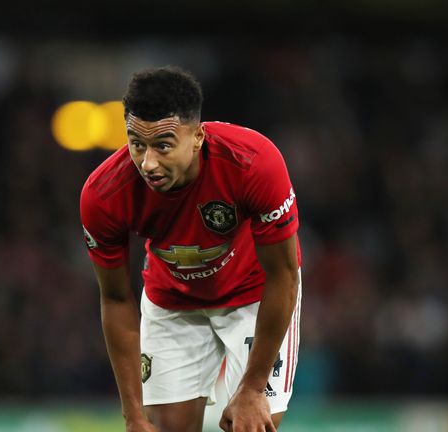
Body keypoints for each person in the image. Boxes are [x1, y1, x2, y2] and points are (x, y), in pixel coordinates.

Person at [79, 66, 302, 432]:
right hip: (173, 300)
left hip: (254, 294)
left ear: (197, 136)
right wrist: (133, 416)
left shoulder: (253, 163)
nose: (148, 163)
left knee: (251, 424)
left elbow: (284, 273)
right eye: (137, 144)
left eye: (163, 145)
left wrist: (253, 387)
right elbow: (116, 299)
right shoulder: (103, 195)